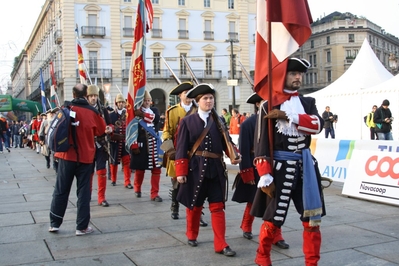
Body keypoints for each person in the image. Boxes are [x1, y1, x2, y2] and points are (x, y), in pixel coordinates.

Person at [251, 58, 325, 266]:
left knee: (312, 218)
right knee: (273, 218)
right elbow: (261, 143)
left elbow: (317, 125)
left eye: (300, 74)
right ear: (283, 76)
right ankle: (262, 256)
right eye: (293, 73)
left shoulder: (308, 103)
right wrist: (264, 174)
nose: (298, 77)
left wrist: (289, 116)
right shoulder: (268, 105)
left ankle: (312, 262)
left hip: (305, 169)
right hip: (279, 170)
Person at [175, 83, 241, 257]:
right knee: (195, 206)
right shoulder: (187, 121)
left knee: (218, 207)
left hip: (216, 170)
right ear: (198, 101)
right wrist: (181, 171)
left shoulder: (218, 120)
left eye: (211, 98)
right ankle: (191, 234)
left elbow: (227, 142)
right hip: (195, 169)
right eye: (205, 98)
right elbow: (181, 147)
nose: (209, 101)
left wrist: (235, 154)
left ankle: (221, 244)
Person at [231, 92, 289, 249]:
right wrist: (247, 172)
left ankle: (277, 234)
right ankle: (246, 225)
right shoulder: (248, 124)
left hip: (275, 166)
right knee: (252, 200)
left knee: (275, 201)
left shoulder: (277, 119)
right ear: (258, 104)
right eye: (264, 101)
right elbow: (243, 149)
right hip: (256, 166)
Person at [49, 83, 107, 235]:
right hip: (85, 158)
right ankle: (81, 227)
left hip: (66, 156)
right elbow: (101, 131)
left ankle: (54, 223)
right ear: (86, 95)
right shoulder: (92, 112)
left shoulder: (65, 109)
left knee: (61, 189)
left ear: (73, 95)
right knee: (83, 193)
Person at [162, 82, 196, 218]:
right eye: (185, 93)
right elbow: (167, 132)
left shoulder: (198, 109)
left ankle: (196, 212)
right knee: (177, 182)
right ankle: (174, 206)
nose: (188, 95)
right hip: (177, 151)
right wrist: (170, 150)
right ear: (180, 96)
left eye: (190, 93)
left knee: (195, 183)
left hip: (194, 152)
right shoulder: (172, 111)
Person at [130, 90, 163, 202]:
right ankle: (137, 188)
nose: (147, 102)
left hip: (154, 142)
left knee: (156, 169)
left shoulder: (154, 110)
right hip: (142, 144)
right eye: (145, 101)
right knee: (140, 169)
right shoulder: (135, 113)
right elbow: (132, 130)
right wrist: (133, 144)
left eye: (149, 100)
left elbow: (156, 119)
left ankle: (155, 193)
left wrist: (143, 114)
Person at [87, 84, 113, 207]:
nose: (93, 98)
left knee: (101, 170)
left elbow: (110, 124)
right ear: (87, 97)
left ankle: (101, 197)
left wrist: (110, 128)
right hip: (87, 145)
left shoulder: (102, 110)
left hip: (101, 144)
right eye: (91, 96)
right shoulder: (84, 110)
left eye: (95, 96)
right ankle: (87, 195)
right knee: (88, 171)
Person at [109, 94, 132, 188]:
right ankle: (113, 179)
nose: (121, 104)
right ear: (116, 103)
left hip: (125, 141)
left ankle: (127, 182)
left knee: (127, 161)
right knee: (114, 161)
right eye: (119, 102)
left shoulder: (128, 114)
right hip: (115, 142)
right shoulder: (111, 115)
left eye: (122, 102)